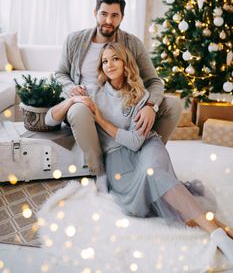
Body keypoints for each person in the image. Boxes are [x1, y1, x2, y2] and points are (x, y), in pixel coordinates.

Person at [46, 42, 233, 264]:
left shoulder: (140, 95)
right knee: (154, 201)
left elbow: (135, 142)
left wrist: (101, 120)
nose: (109, 65)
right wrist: (73, 100)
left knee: (154, 173)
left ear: (126, 63)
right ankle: (223, 229)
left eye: (115, 59)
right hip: (117, 159)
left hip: (146, 147)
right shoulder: (93, 93)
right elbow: (49, 119)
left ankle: (219, 237)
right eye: (104, 61)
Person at [55, 0, 182, 183]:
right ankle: (99, 171)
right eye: (103, 14)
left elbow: (154, 81)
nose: (108, 20)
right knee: (78, 111)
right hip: (88, 104)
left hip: (123, 105)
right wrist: (71, 88)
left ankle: (148, 159)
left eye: (115, 15)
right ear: (95, 13)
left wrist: (151, 106)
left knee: (173, 105)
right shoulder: (74, 40)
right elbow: (60, 73)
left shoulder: (132, 44)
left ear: (122, 17)